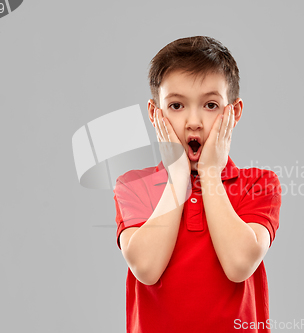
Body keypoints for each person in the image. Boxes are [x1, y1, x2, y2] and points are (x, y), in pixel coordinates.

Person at [113, 36, 281, 333]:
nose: (194, 121)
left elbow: (239, 264)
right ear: (155, 114)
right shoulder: (133, 186)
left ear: (234, 112)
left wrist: (211, 175)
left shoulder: (259, 184)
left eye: (211, 105)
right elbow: (146, 269)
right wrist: (177, 177)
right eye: (176, 105)